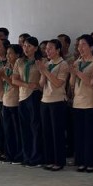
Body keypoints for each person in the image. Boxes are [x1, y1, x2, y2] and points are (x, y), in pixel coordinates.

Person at [38, 39, 70, 171]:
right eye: (46, 49)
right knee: (47, 132)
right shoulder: (48, 63)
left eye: (50, 48)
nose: (47, 51)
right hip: (45, 100)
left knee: (57, 132)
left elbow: (58, 83)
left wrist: (45, 71)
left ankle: (59, 161)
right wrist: (43, 72)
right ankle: (49, 160)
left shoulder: (63, 64)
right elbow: (41, 84)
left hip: (57, 101)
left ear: (58, 50)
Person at [71, 34, 93, 172]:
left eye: (83, 45)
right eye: (79, 45)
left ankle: (91, 162)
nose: (80, 48)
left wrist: (77, 72)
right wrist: (73, 72)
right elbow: (72, 84)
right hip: (77, 102)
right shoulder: (77, 62)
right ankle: (81, 160)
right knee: (79, 134)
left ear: (92, 47)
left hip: (90, 102)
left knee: (90, 135)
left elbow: (92, 83)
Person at [13, 36, 43, 167]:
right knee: (24, 128)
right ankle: (26, 156)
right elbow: (14, 79)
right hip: (22, 95)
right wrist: (27, 85)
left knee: (35, 127)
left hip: (35, 96)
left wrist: (34, 86)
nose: (26, 48)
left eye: (29, 46)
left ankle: (36, 157)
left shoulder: (41, 61)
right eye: (24, 46)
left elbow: (41, 82)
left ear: (36, 48)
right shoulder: (19, 61)